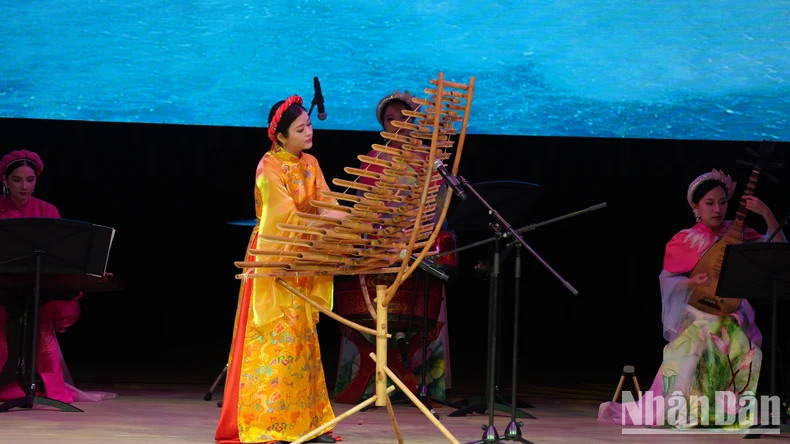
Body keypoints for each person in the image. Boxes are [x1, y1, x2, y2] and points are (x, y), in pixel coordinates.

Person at [598, 168, 785, 428]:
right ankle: (686, 408)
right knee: (700, 335)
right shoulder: (686, 239)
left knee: (735, 340)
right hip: (698, 312)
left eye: (722, 202)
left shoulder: (738, 231)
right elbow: (668, 280)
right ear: (696, 206)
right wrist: (691, 281)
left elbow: (775, 250)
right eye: (709, 203)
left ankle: (724, 410)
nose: (717, 209)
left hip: (733, 311)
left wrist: (766, 213)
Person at [215, 95, 339, 444]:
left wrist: (353, 218)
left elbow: (324, 203)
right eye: (301, 129)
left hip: (303, 258)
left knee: (302, 342)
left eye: (310, 126)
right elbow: (282, 216)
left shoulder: (311, 163)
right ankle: (269, 425)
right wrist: (318, 223)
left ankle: (307, 425)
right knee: (275, 340)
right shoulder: (268, 166)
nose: (309, 132)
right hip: (274, 256)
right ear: (281, 137)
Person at [334, 90, 454, 404]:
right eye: (391, 119)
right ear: (382, 126)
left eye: (407, 118)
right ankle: (365, 383)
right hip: (381, 254)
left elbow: (440, 210)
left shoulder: (431, 162)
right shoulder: (373, 161)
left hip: (416, 251)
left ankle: (423, 385)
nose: (399, 123)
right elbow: (362, 211)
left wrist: (417, 240)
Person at [0, 150, 82, 404]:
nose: (25, 186)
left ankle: (37, 384)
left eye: (30, 180)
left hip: (35, 284)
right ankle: (6, 383)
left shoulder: (47, 209)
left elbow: (59, 256)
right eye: (17, 180)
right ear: (4, 180)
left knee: (38, 312)